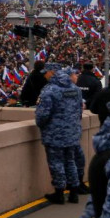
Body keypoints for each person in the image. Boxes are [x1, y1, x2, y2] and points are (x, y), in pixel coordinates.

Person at [35, 63, 84, 204]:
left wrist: (41, 125)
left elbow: (43, 115)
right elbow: (79, 111)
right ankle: (74, 192)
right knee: (70, 161)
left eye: (46, 73)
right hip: (72, 132)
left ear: (52, 73)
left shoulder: (49, 90)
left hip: (54, 133)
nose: (45, 75)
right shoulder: (75, 89)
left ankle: (59, 193)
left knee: (56, 163)